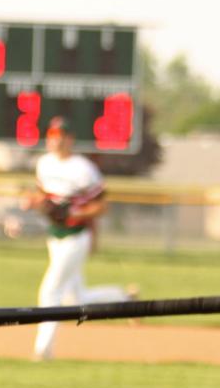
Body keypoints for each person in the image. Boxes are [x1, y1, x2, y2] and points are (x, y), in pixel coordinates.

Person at [22, 116, 136, 361]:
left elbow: (102, 205)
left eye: (60, 136)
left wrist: (77, 212)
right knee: (76, 298)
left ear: (70, 139)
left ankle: (43, 350)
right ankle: (124, 299)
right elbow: (43, 196)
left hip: (76, 237)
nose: (56, 141)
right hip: (54, 236)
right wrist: (33, 201)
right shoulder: (44, 163)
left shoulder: (83, 168)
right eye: (52, 136)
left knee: (51, 289)